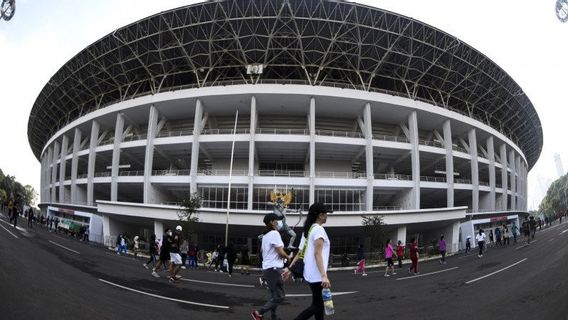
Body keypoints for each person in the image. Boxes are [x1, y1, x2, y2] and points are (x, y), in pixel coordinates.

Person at [285, 203, 332, 320]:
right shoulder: (319, 230)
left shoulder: (308, 230)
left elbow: (301, 252)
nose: (327, 216)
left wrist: (289, 268)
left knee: (319, 306)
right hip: (317, 275)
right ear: (321, 215)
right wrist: (323, 276)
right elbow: (317, 254)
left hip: (310, 274)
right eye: (326, 214)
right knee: (317, 306)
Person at [250, 213, 292, 320]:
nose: (279, 222)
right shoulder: (274, 233)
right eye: (277, 221)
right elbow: (280, 253)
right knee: (280, 297)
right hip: (274, 269)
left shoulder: (265, 236)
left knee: (274, 295)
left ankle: (274, 316)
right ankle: (258, 313)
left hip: (268, 269)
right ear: (272, 222)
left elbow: (266, 252)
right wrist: (288, 257)